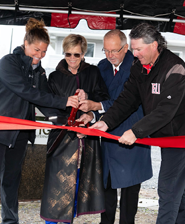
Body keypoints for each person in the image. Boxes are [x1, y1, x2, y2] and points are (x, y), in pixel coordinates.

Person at [91, 23, 185, 224]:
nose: (134, 53)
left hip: (180, 138)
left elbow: (166, 109)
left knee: (168, 188)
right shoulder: (139, 66)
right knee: (179, 191)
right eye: (133, 49)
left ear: (154, 45)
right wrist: (106, 122)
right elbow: (128, 99)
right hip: (167, 137)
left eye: (138, 49)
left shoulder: (175, 68)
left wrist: (136, 131)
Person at [0, 18, 79, 224]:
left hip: (20, 134)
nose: (39, 55)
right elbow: (27, 93)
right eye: (36, 50)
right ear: (25, 43)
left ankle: (10, 221)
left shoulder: (39, 71)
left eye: (44, 52)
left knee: (11, 181)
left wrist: (65, 120)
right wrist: (64, 101)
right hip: (1, 131)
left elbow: (45, 101)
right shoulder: (9, 63)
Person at [78, 29, 152, 224]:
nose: (110, 55)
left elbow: (126, 101)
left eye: (115, 51)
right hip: (108, 136)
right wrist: (91, 112)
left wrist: (98, 106)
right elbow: (101, 98)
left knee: (130, 193)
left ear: (126, 48)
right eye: (106, 50)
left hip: (132, 134)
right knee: (107, 188)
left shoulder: (139, 67)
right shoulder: (102, 67)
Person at [40, 34, 109, 224]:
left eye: (76, 55)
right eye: (68, 54)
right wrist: (66, 122)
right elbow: (48, 107)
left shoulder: (93, 73)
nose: (71, 58)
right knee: (56, 188)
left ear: (84, 53)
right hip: (60, 139)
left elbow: (104, 100)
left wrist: (90, 113)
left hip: (86, 141)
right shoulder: (54, 77)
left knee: (78, 186)